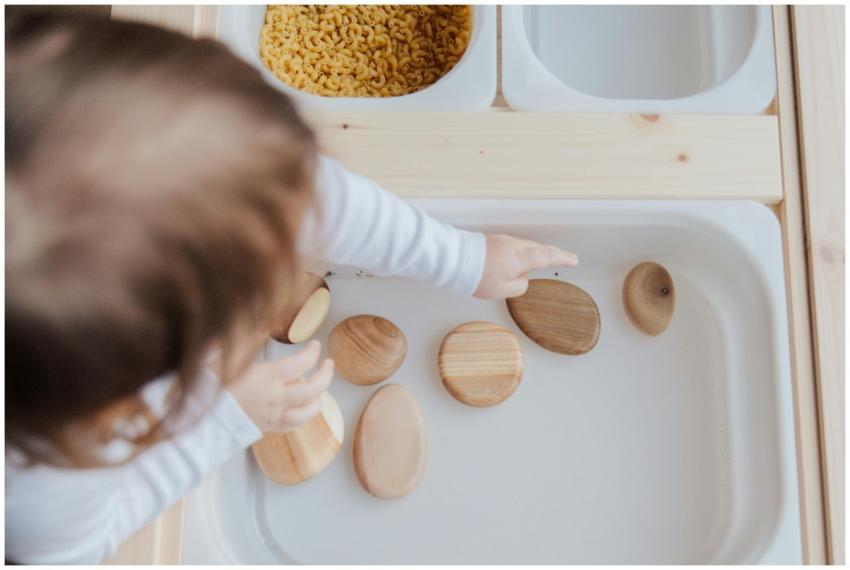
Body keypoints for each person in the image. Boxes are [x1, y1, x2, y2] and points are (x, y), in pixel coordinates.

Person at [5, 13, 578, 564]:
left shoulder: (168, 157)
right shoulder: (42, 481)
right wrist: (225, 417)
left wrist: (460, 258)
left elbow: (306, 197)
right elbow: (74, 550)